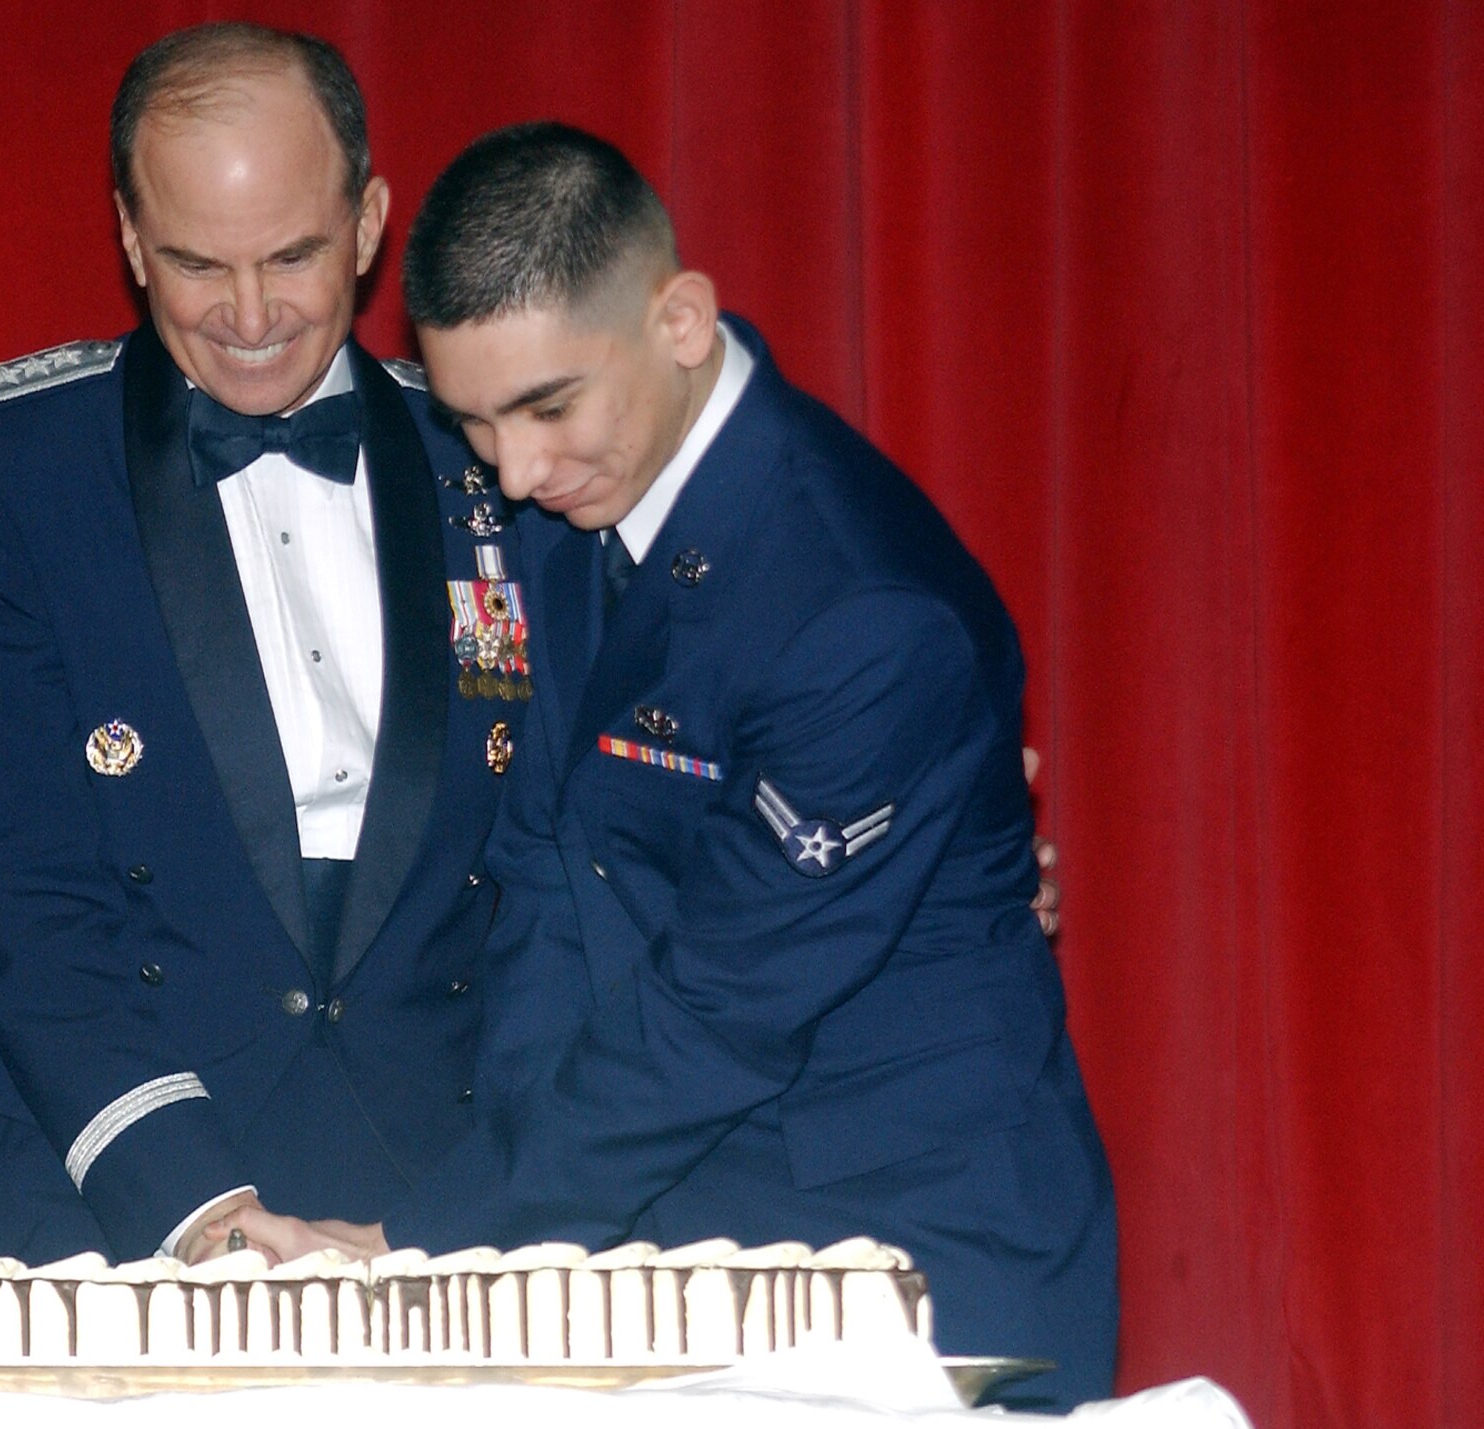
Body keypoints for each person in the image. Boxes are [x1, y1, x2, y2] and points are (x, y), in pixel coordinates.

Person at [219, 122, 1119, 1408]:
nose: (516, 469)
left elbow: (716, 1015)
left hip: (908, 1257)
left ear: (680, 321)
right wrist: (503, 1246)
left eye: (547, 407)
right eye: (475, 422)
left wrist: (440, 1244)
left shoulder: (858, 610)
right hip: (646, 1234)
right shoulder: (573, 508)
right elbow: (544, 874)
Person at [0, 23, 534, 1266]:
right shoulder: (6, 464)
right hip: (127, 1183)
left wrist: (475, 1207)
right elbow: (13, 880)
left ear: (367, 223)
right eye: (196, 263)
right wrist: (192, 1207)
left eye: (292, 255)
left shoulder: (494, 448)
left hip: (444, 1188)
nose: (249, 315)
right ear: (131, 239)